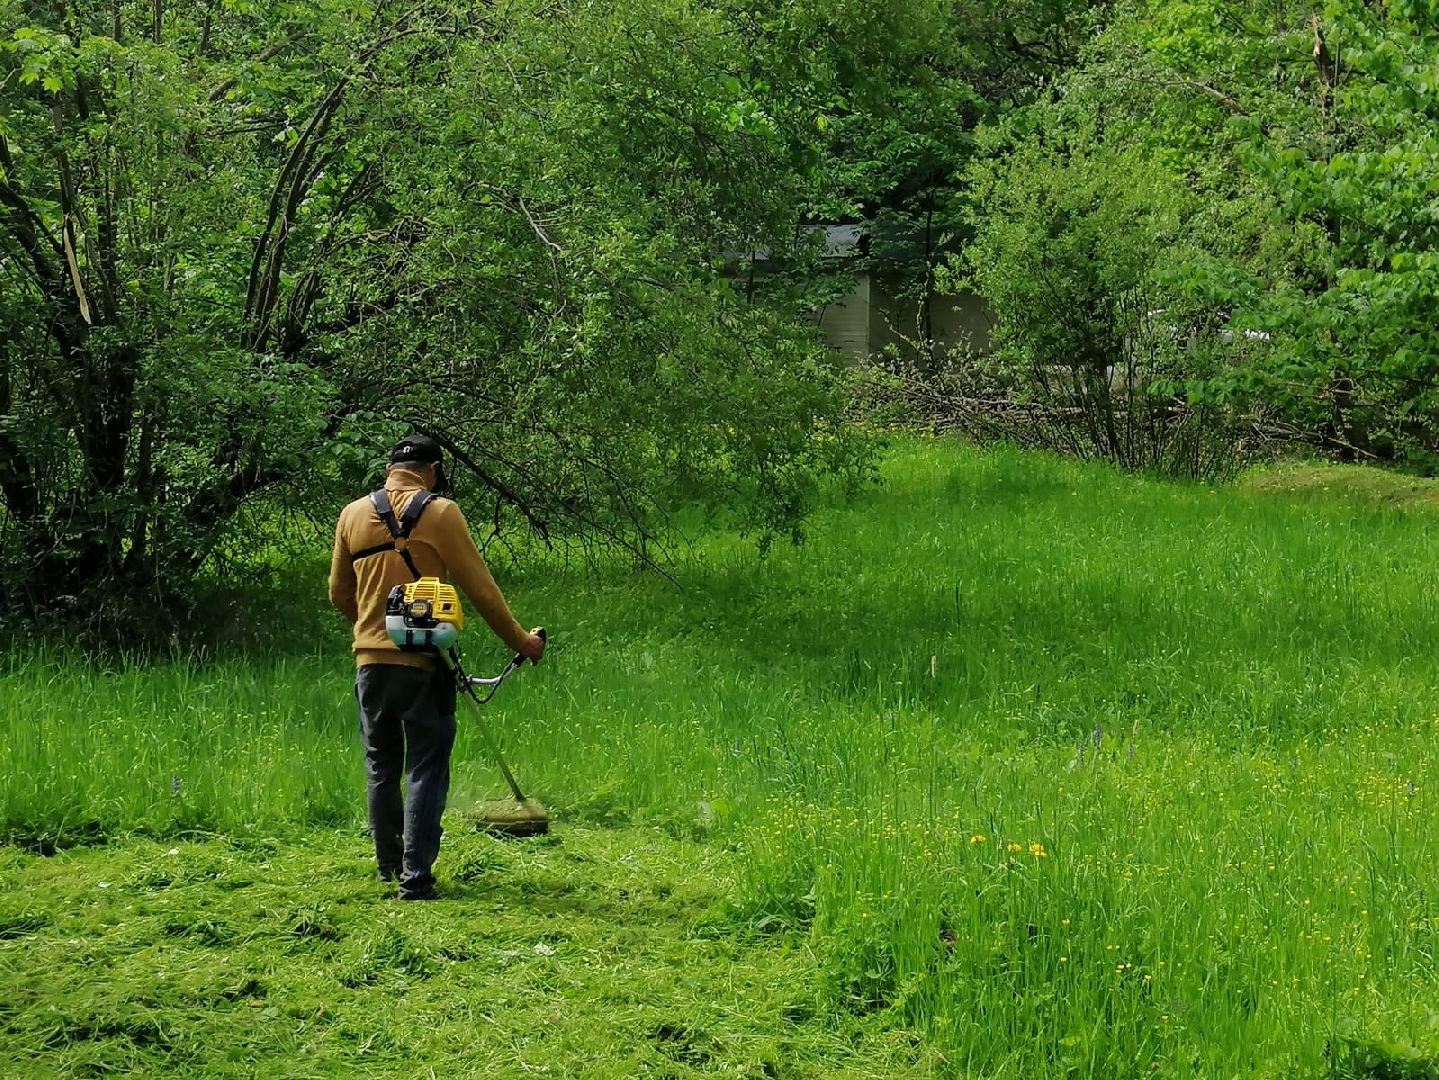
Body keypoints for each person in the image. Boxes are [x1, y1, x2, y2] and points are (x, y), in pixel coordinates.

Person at [328, 434, 545, 900]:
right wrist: (522, 641)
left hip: (370, 662)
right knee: (426, 766)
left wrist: (374, 631)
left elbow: (339, 594)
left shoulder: (352, 515)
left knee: (381, 765)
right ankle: (416, 878)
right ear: (433, 470)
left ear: (389, 470)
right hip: (424, 663)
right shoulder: (440, 512)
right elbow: (480, 590)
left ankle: (387, 867)